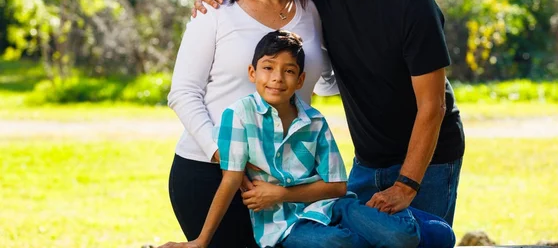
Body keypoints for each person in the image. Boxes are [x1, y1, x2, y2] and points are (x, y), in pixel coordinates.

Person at [193, 0, 465, 225]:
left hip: (428, 161)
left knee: (423, 238)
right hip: (367, 160)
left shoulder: (412, 0)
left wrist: (407, 184)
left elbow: (432, 106)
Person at [159, 30, 455, 248]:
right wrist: (200, 242)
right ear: (252, 72)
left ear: (300, 80)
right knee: (339, 245)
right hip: (285, 226)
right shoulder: (238, 116)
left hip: (334, 207)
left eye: (288, 71)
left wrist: (281, 193)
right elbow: (230, 180)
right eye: (268, 67)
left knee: (403, 236)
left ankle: (409, 225)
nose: (277, 78)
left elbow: (338, 186)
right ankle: (380, 232)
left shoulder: (314, 121)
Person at [166, 0, 338, 247]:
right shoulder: (214, 13)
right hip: (211, 173)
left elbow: (324, 80)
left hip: (286, 182)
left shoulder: (312, 10)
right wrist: (229, 158)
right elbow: (183, 93)